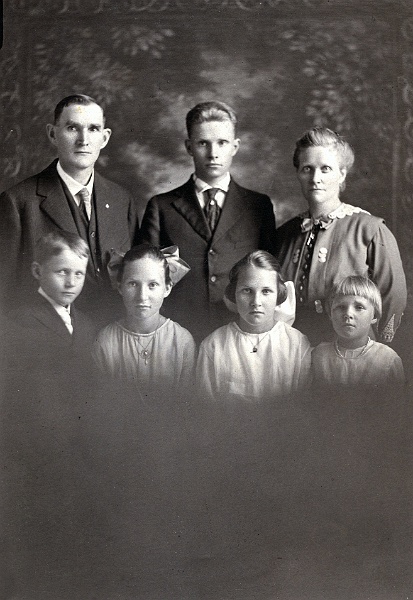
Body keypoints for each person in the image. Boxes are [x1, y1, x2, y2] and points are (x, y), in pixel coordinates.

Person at [138, 101, 277, 342]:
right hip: (177, 332)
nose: (213, 153)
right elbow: (145, 275)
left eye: (222, 143)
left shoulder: (258, 206)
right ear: (189, 147)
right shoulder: (161, 206)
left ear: (235, 146)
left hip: (240, 333)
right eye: (203, 143)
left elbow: (270, 274)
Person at [0, 94, 139, 323]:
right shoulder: (17, 203)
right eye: (72, 128)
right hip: (46, 343)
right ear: (53, 134)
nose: (84, 139)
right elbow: (4, 295)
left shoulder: (122, 200)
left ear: (104, 138)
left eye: (93, 129)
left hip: (114, 339)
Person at [275, 127, 407, 345]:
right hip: (292, 349)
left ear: (342, 173)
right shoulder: (285, 234)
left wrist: (378, 352)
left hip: (351, 352)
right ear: (298, 173)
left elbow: (393, 298)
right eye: (307, 169)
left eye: (325, 169)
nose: (315, 178)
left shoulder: (370, 230)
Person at [196, 250, 311, 401]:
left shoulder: (296, 344)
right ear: (234, 294)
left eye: (266, 291)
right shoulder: (214, 346)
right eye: (247, 290)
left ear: (279, 294)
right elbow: (206, 407)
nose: (256, 301)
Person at [93, 244, 197, 399]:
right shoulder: (105, 341)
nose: (142, 296)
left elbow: (186, 402)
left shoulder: (182, 340)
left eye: (152, 285)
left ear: (167, 288)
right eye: (133, 284)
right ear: (120, 287)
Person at [4, 230, 96, 373]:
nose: (71, 283)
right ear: (37, 271)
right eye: (62, 272)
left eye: (79, 274)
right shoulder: (18, 320)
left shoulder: (86, 324)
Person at [311, 276, 405, 387]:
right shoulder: (318, 355)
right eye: (341, 307)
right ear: (330, 314)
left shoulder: (387, 359)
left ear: (374, 316)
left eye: (359, 307)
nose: (348, 314)